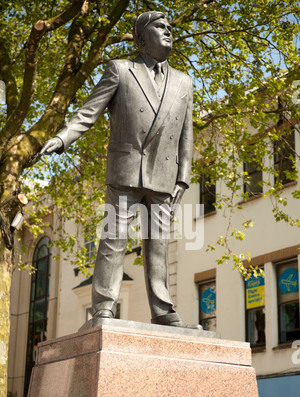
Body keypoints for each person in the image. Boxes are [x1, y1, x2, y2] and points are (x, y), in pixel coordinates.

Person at [42, 11, 201, 330]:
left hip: (164, 177)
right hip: (126, 172)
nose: (168, 30)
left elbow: (186, 135)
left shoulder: (184, 82)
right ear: (141, 38)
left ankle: (162, 308)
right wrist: (63, 137)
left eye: (170, 27)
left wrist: (183, 177)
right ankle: (103, 307)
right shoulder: (121, 70)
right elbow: (88, 113)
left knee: (158, 242)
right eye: (160, 27)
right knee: (114, 238)